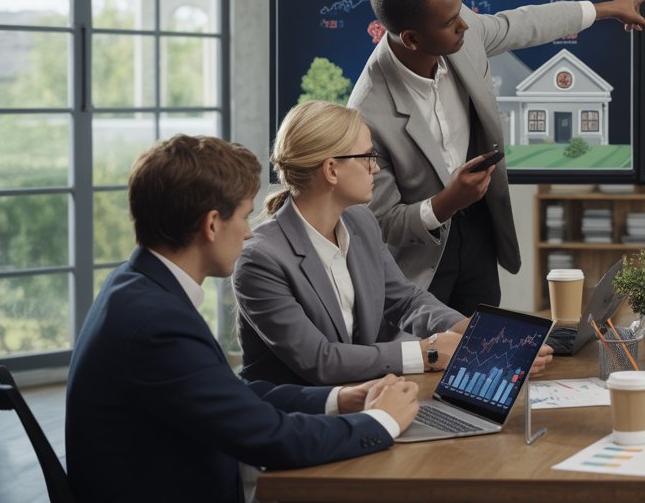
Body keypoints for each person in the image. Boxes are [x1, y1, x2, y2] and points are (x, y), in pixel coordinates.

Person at [65, 135, 421, 503]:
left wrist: (338, 399)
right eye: (244, 214)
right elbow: (268, 438)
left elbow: (224, 393)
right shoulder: (157, 323)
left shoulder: (135, 284)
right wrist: (381, 421)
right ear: (212, 224)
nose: (250, 231)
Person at [348, 0, 645, 314]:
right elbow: (382, 223)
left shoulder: (462, 35)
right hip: (421, 261)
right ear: (412, 39)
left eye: (461, 10)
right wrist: (449, 201)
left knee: (483, 345)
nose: (465, 25)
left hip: (479, 232)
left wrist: (607, 9)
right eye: (451, 22)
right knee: (433, 359)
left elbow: (525, 24)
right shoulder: (366, 113)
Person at [232, 101, 555, 386]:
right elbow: (320, 360)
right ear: (331, 169)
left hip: (369, 398)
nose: (376, 167)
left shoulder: (361, 223)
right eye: (368, 157)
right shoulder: (261, 259)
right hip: (298, 421)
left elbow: (405, 301)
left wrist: (475, 331)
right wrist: (428, 352)